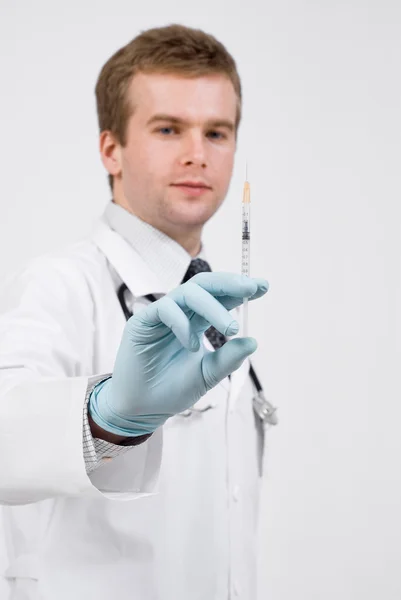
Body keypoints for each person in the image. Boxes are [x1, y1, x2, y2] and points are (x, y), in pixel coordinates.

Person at [0, 23, 270, 600]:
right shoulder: (60, 286)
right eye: (169, 129)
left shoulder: (220, 301)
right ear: (111, 149)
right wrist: (108, 415)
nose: (198, 154)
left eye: (217, 132)